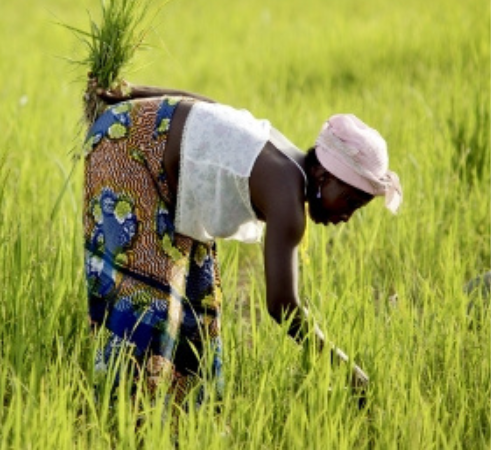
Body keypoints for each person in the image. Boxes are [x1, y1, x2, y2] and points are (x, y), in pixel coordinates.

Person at [83, 84, 401, 403]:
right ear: (323, 176)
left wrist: (135, 92)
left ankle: (187, 411)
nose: (346, 216)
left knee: (197, 291)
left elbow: (210, 107)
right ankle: (123, 409)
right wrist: (345, 369)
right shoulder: (287, 200)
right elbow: (282, 307)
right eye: (349, 201)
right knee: (146, 297)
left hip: (142, 135)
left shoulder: (287, 156)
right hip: (129, 148)